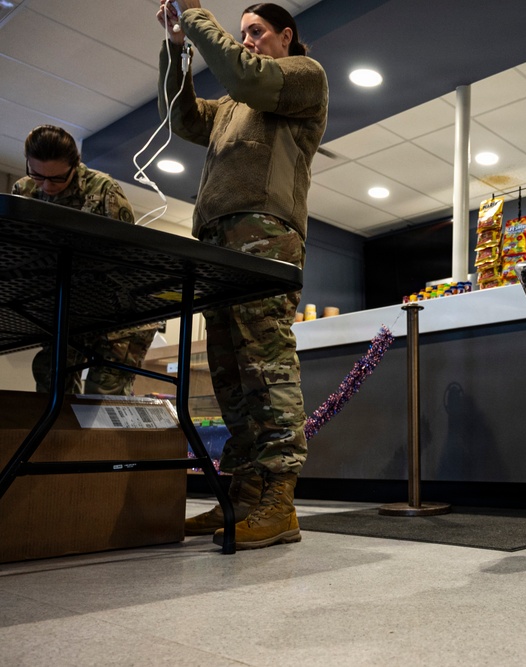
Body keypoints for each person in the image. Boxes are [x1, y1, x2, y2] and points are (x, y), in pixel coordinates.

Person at [155, 0, 328, 550]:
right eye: (243, 32)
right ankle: (244, 494)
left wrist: (199, 15)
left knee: (266, 362)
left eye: (256, 31)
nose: (247, 40)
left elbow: (244, 74)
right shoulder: (232, 105)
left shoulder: (303, 77)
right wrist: (177, 47)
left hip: (265, 233)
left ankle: (280, 499)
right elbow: (184, 119)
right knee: (230, 370)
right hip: (216, 239)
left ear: (286, 35)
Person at [12, 125, 157, 396]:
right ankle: (56, 438)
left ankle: (96, 440)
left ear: (74, 166)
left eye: (56, 179)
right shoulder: (25, 190)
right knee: (50, 379)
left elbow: (129, 263)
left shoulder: (104, 190)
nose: (46, 186)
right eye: (37, 175)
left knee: (102, 394)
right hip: (72, 309)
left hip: (120, 311)